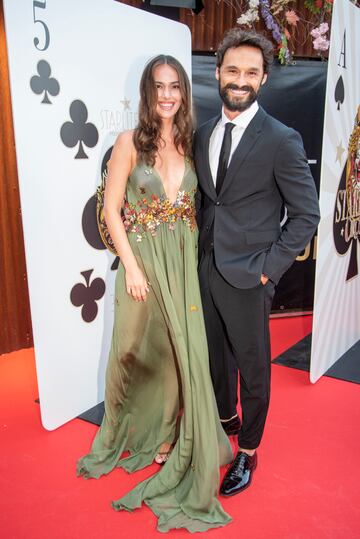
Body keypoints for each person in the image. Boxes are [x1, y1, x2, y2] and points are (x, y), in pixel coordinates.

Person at [77, 54, 233, 533]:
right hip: (142, 260)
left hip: (182, 260)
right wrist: (131, 265)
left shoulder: (190, 142)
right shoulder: (128, 142)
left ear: (184, 93)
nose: (167, 94)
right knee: (131, 347)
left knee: (174, 354)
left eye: (175, 87)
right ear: (148, 93)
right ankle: (128, 426)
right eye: (158, 86)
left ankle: (167, 435)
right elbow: (111, 209)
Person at [194, 29, 320, 497]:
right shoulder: (203, 132)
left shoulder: (282, 139)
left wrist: (269, 267)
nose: (240, 80)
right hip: (204, 266)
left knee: (252, 364)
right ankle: (226, 422)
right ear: (218, 72)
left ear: (263, 79)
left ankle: (248, 450)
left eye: (250, 72)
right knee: (215, 355)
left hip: (251, 272)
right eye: (232, 70)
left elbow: (307, 214)